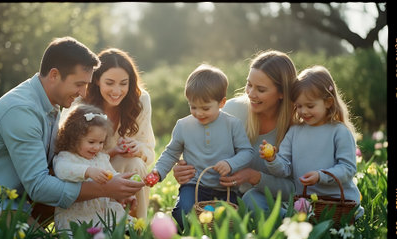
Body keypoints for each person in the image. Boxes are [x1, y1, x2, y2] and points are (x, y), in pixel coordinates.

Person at [0, 37, 144, 225]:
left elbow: (58, 166)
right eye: (79, 84)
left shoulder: (51, 105)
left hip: (19, 200)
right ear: (54, 75)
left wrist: (109, 194)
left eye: (86, 84)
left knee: (88, 227)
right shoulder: (22, 111)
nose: (84, 93)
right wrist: (105, 189)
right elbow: (39, 186)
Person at [172, 50, 297, 217]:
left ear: (282, 93)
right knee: (189, 212)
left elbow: (295, 189)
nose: (251, 94)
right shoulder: (232, 110)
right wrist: (182, 168)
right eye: (249, 84)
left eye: (260, 89)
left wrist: (255, 177)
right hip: (225, 196)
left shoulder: (295, 127)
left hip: (268, 201)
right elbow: (196, 143)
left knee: (253, 200)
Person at [150, 64, 255, 228]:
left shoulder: (232, 124)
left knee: (229, 219)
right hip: (194, 185)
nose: (199, 113)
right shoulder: (183, 125)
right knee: (182, 211)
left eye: (205, 108)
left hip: (225, 187)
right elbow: (171, 153)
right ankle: (191, 238)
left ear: (222, 103)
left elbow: (247, 152)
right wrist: (158, 172)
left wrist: (230, 164)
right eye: (193, 107)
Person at [259, 65, 364, 219]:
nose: (303, 111)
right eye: (299, 106)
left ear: (328, 102)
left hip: (339, 203)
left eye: (310, 105)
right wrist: (273, 159)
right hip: (305, 204)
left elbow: (348, 168)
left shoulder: (339, 132)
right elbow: (285, 169)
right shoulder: (295, 132)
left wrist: (321, 176)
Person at [74, 48, 155, 219]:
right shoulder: (81, 103)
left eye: (123, 83)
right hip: (92, 174)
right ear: (96, 80)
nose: (117, 91)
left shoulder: (140, 101)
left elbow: (149, 152)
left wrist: (138, 148)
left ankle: (136, 230)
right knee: (128, 165)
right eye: (109, 83)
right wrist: (111, 152)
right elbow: (72, 155)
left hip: (125, 169)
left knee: (136, 164)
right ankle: (101, 227)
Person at [53, 104, 135, 231]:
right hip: (77, 213)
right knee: (82, 232)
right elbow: (62, 170)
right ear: (74, 139)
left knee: (122, 219)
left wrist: (123, 191)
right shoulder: (67, 157)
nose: (97, 147)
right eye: (91, 142)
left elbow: (112, 175)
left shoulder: (101, 158)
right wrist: (87, 171)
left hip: (102, 209)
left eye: (101, 142)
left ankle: (126, 234)